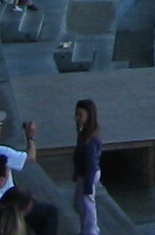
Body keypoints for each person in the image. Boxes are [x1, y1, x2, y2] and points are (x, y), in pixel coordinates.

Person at [72, 98, 101, 235]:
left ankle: (91, 232)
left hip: (88, 174)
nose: (77, 118)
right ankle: (87, 229)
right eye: (76, 114)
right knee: (79, 204)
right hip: (84, 173)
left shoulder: (90, 140)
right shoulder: (83, 135)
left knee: (87, 205)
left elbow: (90, 163)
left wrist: (88, 185)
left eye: (80, 115)